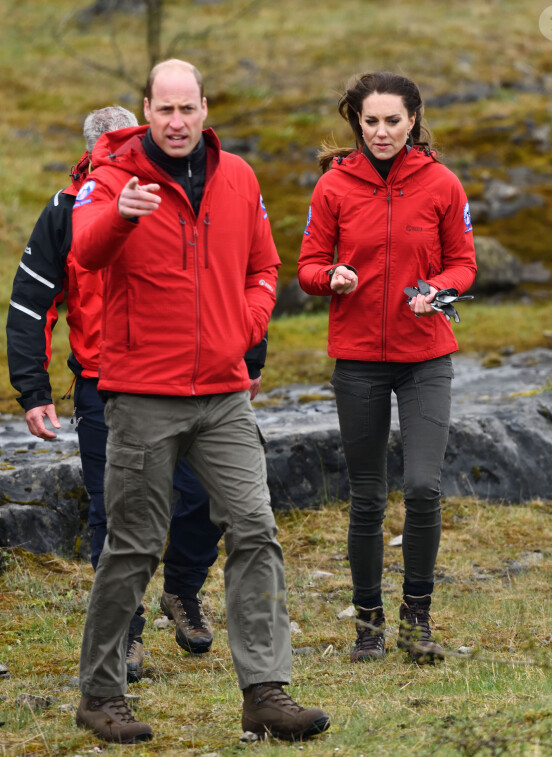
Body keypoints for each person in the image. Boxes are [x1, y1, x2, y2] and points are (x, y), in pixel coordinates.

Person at [70, 59, 330, 744]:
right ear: (146, 111)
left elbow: (264, 265)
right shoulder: (110, 179)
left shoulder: (238, 177)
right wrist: (121, 218)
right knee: (131, 545)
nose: (177, 122)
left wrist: (243, 327)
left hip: (222, 395)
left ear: (205, 110)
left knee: (256, 527)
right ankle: (101, 693)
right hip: (141, 396)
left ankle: (266, 691)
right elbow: (86, 252)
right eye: (165, 110)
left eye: (189, 109)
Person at [5, 105, 235, 683]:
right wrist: (33, 389)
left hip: (179, 375)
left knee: (206, 498)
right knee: (116, 512)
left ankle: (181, 589)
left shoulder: (180, 193)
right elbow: (30, 306)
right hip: (101, 386)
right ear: (93, 152)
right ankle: (126, 638)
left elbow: (225, 275)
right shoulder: (65, 211)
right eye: (112, 146)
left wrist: (241, 352)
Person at [298, 71, 477, 665]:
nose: (380, 132)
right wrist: (333, 277)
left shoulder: (443, 184)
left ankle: (416, 622)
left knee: (423, 488)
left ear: (413, 120)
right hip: (358, 363)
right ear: (355, 120)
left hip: (425, 357)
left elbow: (464, 266)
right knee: (368, 497)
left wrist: (440, 292)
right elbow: (307, 266)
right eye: (369, 121)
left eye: (392, 122)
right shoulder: (333, 187)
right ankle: (368, 625)